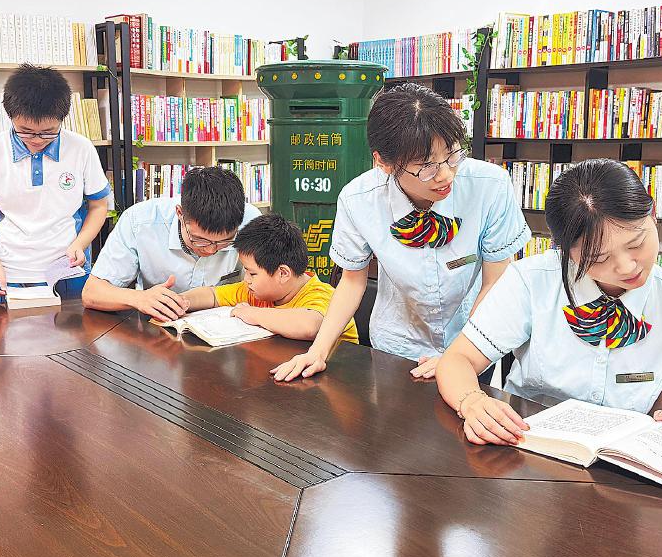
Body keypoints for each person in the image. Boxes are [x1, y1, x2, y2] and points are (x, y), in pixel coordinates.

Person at [435, 158, 662, 446]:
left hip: (619, 457)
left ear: (652, 215)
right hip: (524, 442)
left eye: (636, 244)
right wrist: (472, 401)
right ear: (565, 251)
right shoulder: (531, 281)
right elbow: (457, 360)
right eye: (599, 258)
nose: (627, 267)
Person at [272, 82, 528, 383]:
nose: (445, 175)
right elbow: (351, 282)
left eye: (452, 155)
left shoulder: (490, 186)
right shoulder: (359, 199)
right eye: (426, 166)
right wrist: (318, 351)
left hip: (472, 342)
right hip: (396, 348)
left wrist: (458, 356)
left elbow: (495, 282)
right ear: (384, 162)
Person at [0, 64, 110, 302]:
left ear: (62, 119)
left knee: (78, 327)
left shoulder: (81, 148)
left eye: (49, 132)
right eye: (26, 131)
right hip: (8, 274)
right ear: (10, 116)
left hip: (68, 273)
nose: (37, 140)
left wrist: (80, 244)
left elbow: (99, 206)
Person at [83, 167, 261, 323]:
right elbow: (92, 293)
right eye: (199, 240)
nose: (211, 249)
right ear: (180, 213)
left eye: (224, 242)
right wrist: (139, 298)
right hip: (157, 333)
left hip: (227, 330)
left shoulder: (251, 221)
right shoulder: (140, 221)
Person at [181, 214, 358, 344]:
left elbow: (309, 326)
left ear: (283, 273)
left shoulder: (323, 294)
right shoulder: (255, 290)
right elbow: (212, 295)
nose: (246, 280)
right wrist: (179, 301)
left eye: (252, 273)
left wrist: (252, 313)